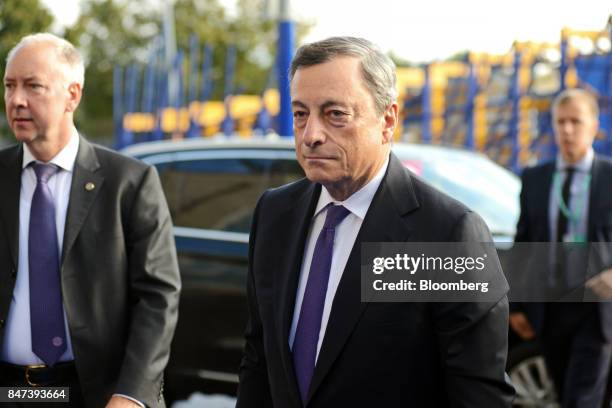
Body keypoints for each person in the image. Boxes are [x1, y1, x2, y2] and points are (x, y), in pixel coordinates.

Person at [237, 36, 514, 407]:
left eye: (335, 114)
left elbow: (478, 394)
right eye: (301, 113)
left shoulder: (445, 234)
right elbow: (258, 360)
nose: (311, 135)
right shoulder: (274, 214)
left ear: (387, 120)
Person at [0, 33, 181, 407]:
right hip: (11, 392)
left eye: (33, 86)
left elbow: (157, 297)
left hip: (97, 394)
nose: (16, 100)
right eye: (10, 86)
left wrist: (131, 395)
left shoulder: (129, 181)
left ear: (73, 95)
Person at [510, 88, 612, 407]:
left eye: (576, 122)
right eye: (560, 122)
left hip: (597, 304)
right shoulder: (536, 179)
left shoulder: (609, 176)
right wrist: (516, 305)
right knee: (566, 389)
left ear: (594, 126)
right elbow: (523, 241)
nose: (567, 130)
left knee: (583, 397)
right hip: (551, 304)